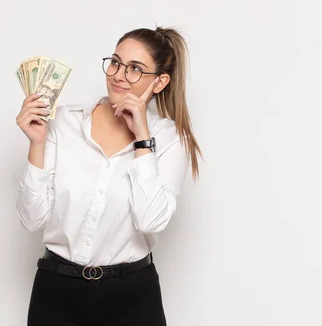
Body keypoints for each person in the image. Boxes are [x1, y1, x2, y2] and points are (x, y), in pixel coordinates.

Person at [15, 26, 202, 326]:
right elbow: (32, 219)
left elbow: (151, 221)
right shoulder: (63, 123)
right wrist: (36, 143)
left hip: (132, 297)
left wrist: (143, 140)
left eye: (135, 69)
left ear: (160, 82)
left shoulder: (168, 140)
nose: (118, 75)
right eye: (115, 62)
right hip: (57, 292)